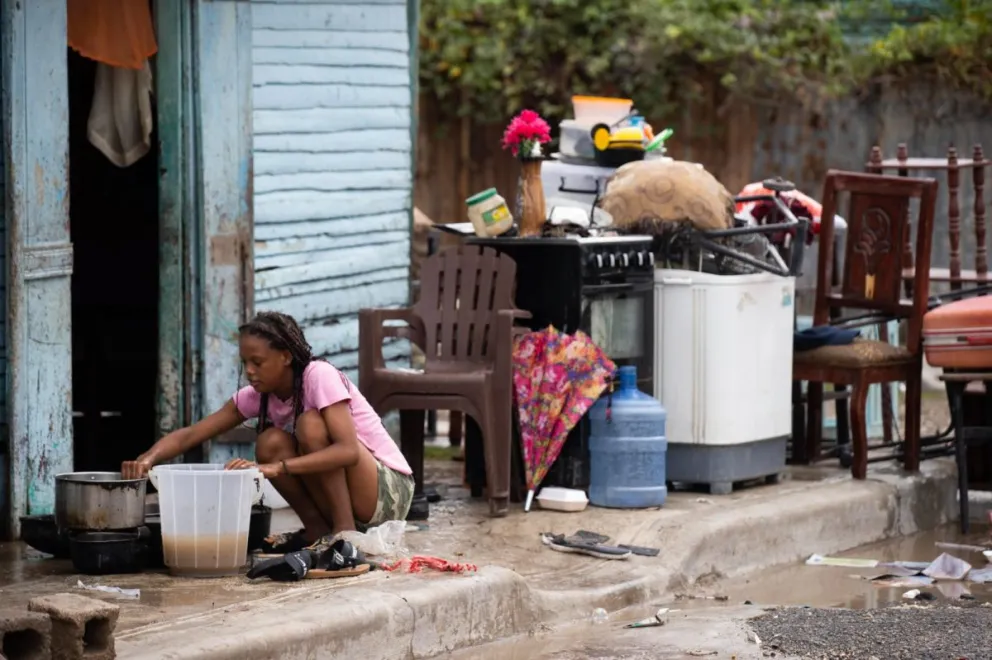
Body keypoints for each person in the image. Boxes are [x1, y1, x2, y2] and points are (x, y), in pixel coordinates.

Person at [122, 311, 414, 553]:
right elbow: (192, 434)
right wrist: (148, 459)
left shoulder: (318, 375)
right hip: (354, 495)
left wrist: (276, 468)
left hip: (388, 491)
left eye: (257, 362)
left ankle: (344, 531)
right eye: (245, 363)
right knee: (270, 441)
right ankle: (317, 529)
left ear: (286, 357)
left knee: (309, 425)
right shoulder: (258, 396)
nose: (249, 371)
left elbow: (348, 451)